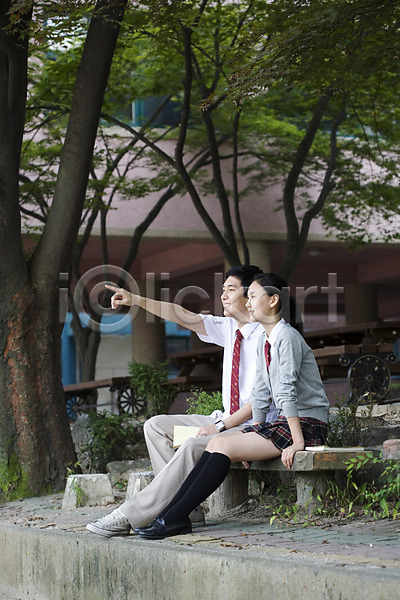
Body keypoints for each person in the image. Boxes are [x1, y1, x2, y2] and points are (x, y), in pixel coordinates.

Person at [134, 272, 330, 540]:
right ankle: (173, 516)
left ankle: (172, 518)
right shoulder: (265, 339)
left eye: (253, 296)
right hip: (283, 424)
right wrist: (254, 434)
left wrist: (297, 442)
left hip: (306, 425)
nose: (248, 303)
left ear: (273, 300)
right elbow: (260, 394)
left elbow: (286, 393)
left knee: (221, 445)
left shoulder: (287, 337)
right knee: (217, 442)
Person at [86, 265, 276, 537]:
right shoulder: (229, 328)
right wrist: (136, 300)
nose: (223, 295)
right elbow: (181, 315)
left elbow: (261, 402)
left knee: (191, 445)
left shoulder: (266, 336)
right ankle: (187, 509)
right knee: (156, 427)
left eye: (231, 289)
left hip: (251, 427)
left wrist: (219, 428)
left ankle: (130, 514)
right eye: (222, 289)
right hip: (224, 420)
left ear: (250, 296)